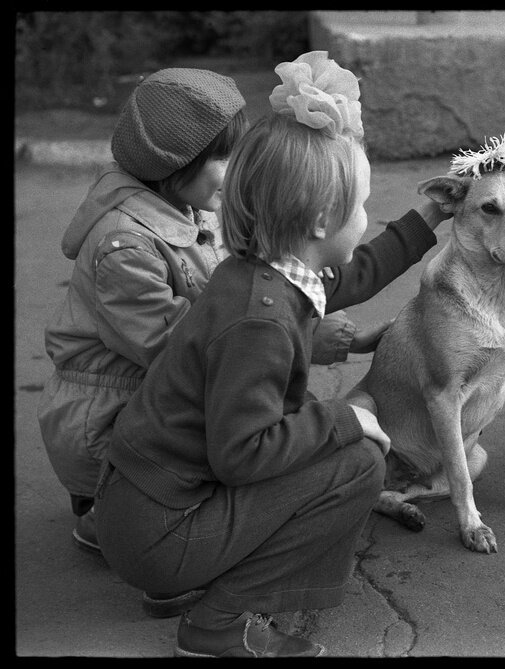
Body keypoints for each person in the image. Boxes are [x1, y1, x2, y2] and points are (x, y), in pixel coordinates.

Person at [94, 51, 450, 658]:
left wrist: (427, 218)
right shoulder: (259, 319)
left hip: (146, 508)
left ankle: (202, 576)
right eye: (361, 207)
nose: (365, 220)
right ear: (318, 221)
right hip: (162, 532)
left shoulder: (264, 272)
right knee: (358, 462)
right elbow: (242, 453)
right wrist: (346, 418)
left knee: (331, 447)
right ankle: (218, 622)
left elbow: (353, 274)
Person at [36, 68, 249, 568]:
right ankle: (111, 520)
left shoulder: (190, 204)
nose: (239, 170)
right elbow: (176, 353)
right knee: (247, 465)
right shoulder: (125, 247)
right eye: (223, 157)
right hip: (111, 428)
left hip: (148, 403)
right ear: (175, 163)